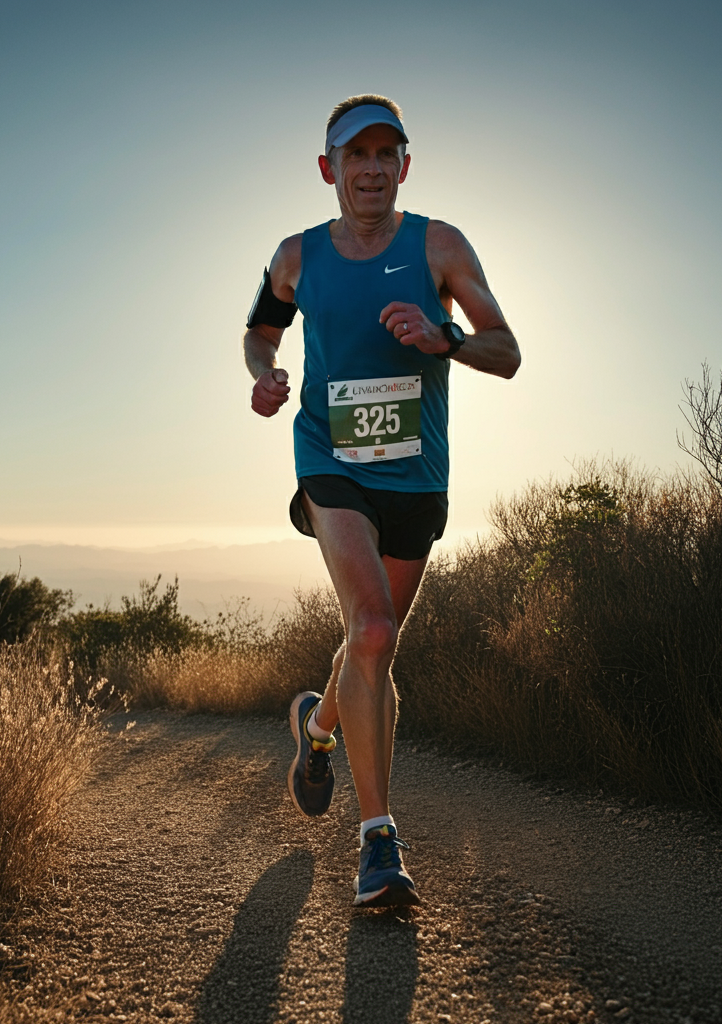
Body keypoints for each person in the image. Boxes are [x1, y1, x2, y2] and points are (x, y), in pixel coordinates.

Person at [243, 94, 520, 907]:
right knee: (370, 628)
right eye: (354, 155)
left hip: (416, 477)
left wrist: (448, 340)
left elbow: (507, 351)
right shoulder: (296, 256)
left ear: (405, 164)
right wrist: (261, 371)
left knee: (373, 645)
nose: (370, 168)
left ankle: (317, 727)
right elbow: (261, 328)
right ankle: (378, 844)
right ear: (329, 170)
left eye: (384, 153)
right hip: (330, 458)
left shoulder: (439, 245)